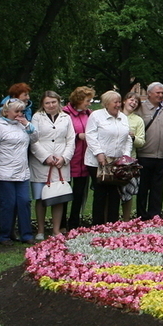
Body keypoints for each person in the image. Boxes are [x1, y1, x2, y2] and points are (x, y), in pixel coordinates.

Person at [30, 90, 75, 240]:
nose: (50, 105)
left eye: (53, 102)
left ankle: (56, 230)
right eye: (47, 103)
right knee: (41, 197)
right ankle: (40, 230)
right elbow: (33, 139)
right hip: (42, 162)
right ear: (43, 104)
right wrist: (45, 157)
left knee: (58, 195)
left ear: (58, 101)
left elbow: (71, 140)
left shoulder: (66, 118)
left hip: (60, 162)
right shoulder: (37, 117)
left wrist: (64, 157)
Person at [0, 98, 37, 245]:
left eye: (22, 111)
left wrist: (27, 124)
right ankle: (4, 235)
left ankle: (26, 234)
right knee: (8, 203)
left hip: (22, 170)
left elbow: (35, 138)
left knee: (24, 202)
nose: (19, 114)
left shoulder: (22, 124)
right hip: (4, 171)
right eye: (16, 111)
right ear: (6, 111)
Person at [135, 82, 163, 220]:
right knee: (142, 188)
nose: (160, 95)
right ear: (149, 93)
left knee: (158, 188)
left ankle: (155, 214)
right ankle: (142, 216)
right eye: (158, 93)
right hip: (144, 155)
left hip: (161, 156)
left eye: (162, 93)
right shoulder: (140, 109)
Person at [86, 91, 132, 226]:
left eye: (119, 102)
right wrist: (99, 153)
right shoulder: (96, 116)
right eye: (115, 102)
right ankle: (98, 225)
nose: (118, 105)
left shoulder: (123, 117)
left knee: (115, 193)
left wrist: (126, 156)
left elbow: (127, 138)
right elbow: (90, 136)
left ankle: (113, 224)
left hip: (117, 162)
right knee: (100, 193)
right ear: (107, 103)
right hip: (98, 162)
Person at [63, 86, 95, 230]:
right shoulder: (65, 114)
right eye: (87, 100)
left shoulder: (89, 114)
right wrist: (77, 136)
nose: (89, 103)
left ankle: (74, 222)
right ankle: (62, 222)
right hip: (69, 159)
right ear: (79, 99)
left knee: (79, 193)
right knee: (64, 193)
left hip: (84, 160)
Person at [120, 93, 146, 221]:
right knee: (112, 192)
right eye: (131, 100)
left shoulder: (137, 120)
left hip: (129, 160)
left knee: (128, 193)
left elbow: (141, 142)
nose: (134, 103)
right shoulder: (115, 116)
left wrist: (133, 137)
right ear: (124, 101)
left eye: (136, 101)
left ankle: (126, 220)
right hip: (112, 159)